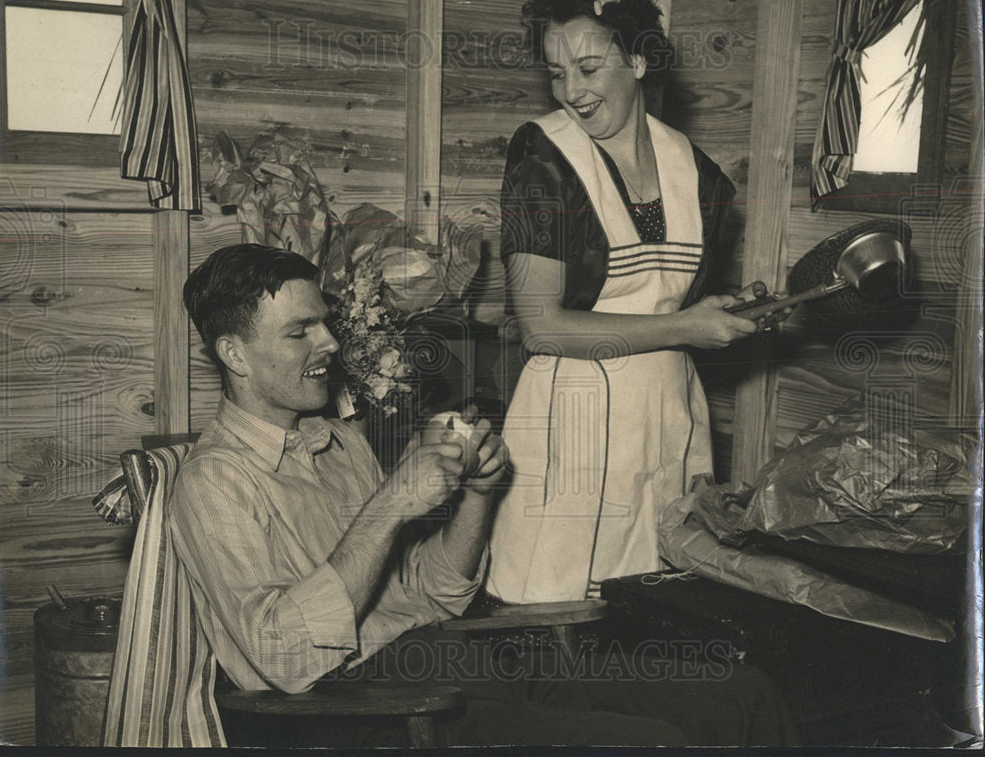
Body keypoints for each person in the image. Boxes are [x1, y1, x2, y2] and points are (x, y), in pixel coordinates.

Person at [170, 243, 796, 747]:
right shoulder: (213, 483)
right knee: (656, 741)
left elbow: (433, 594)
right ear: (235, 355)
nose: (329, 344)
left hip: (458, 665)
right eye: (298, 332)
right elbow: (284, 657)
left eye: (325, 324)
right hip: (373, 709)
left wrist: (477, 495)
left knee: (742, 693)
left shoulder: (338, 442)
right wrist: (390, 504)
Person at [486, 0, 773, 604]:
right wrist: (688, 327)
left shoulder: (701, 175)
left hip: (665, 413)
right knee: (555, 612)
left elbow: (681, 302)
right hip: (572, 416)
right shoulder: (543, 157)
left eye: (588, 69)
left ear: (639, 59)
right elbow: (542, 327)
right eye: (557, 74)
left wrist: (726, 313)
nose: (572, 93)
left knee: (650, 605)